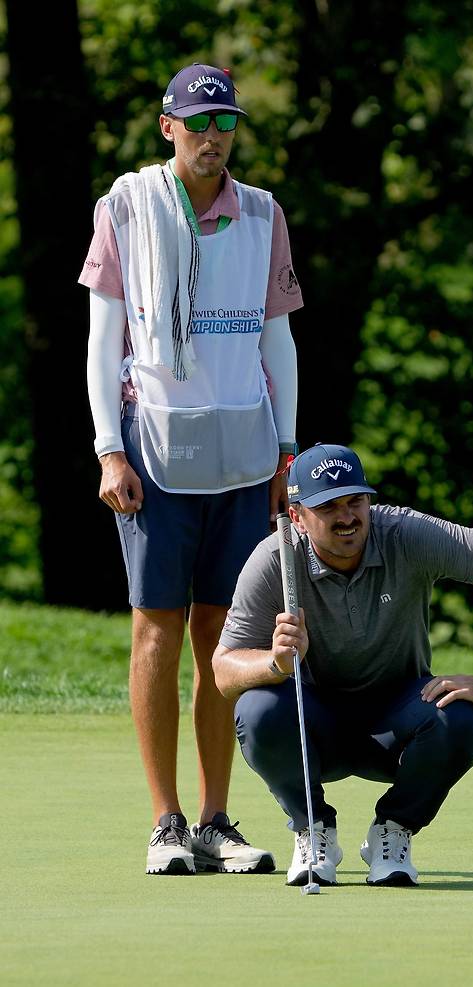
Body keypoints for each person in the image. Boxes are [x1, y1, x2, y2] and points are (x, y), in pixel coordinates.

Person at [80, 63, 303, 875]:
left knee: (223, 633)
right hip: (155, 449)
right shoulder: (127, 207)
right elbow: (105, 340)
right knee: (156, 629)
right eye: (199, 122)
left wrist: (287, 451)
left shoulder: (264, 212)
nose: (213, 136)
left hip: (244, 452)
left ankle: (214, 820)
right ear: (167, 126)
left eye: (226, 122)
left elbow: (277, 339)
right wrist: (108, 447)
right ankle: (165, 822)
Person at [213, 443, 473, 887]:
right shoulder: (275, 559)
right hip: (314, 727)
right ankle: (313, 829)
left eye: (355, 501)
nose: (347, 517)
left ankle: (393, 830)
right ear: (297, 516)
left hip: (398, 721)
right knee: (256, 710)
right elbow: (223, 670)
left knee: (461, 717)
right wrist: (275, 664)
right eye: (328, 507)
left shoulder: (404, 533)